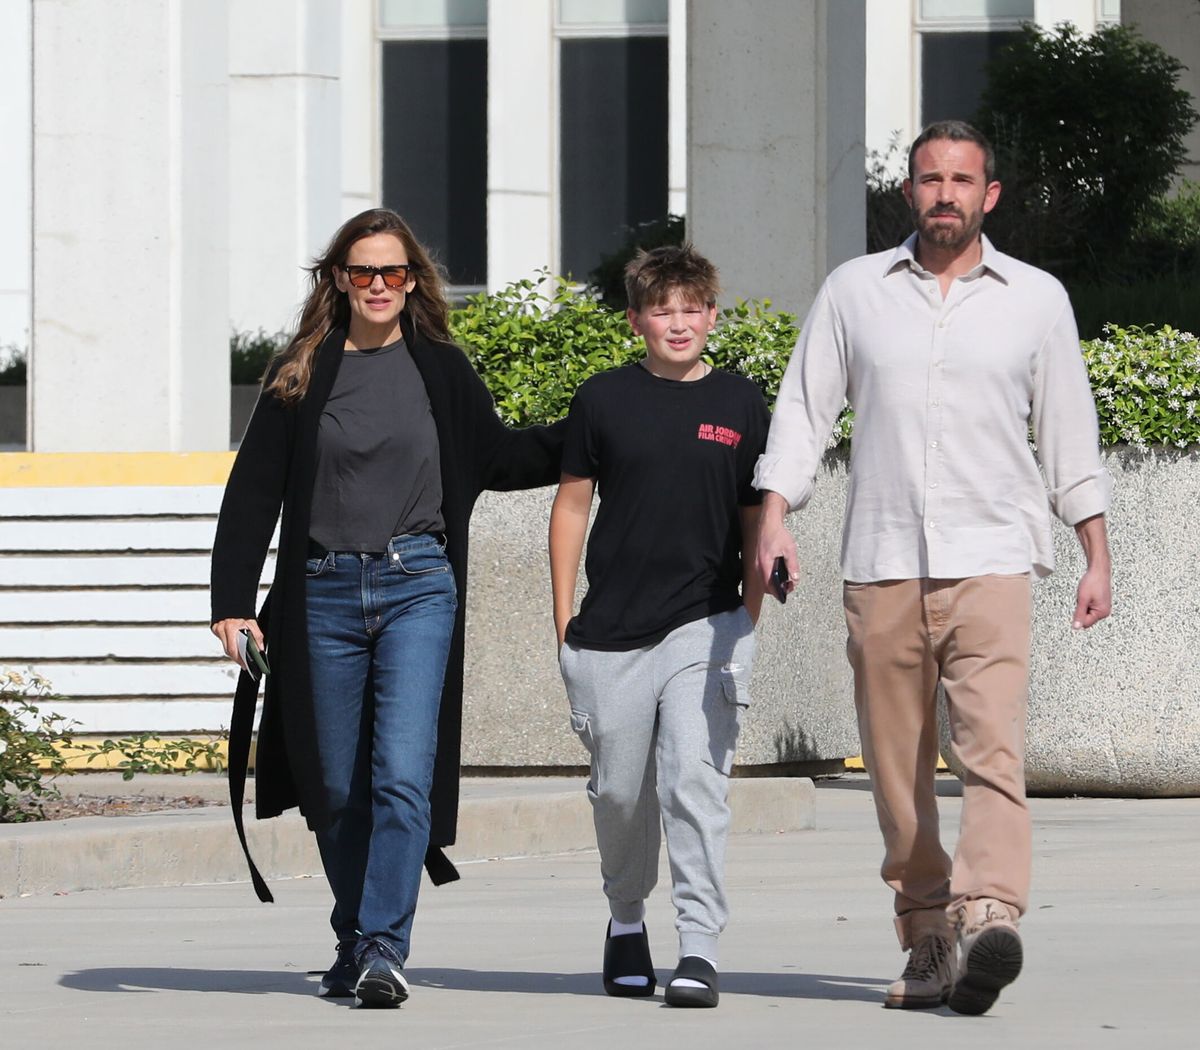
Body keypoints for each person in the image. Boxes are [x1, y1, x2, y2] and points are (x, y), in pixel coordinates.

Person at [754, 120, 1112, 1016]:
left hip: (991, 558)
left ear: (989, 195)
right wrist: (773, 519)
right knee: (895, 765)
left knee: (994, 753)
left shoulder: (1036, 299)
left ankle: (990, 912)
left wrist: (1093, 551)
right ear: (907, 192)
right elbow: (803, 415)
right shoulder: (854, 293)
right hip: (881, 562)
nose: (944, 192)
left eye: (962, 179)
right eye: (928, 179)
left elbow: (1070, 433)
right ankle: (927, 936)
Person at [210, 208, 563, 1008]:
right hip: (321, 594)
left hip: (417, 584)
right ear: (338, 278)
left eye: (393, 272)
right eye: (363, 271)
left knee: (403, 776)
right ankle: (356, 935)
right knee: (334, 786)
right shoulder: (301, 372)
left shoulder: (439, 367)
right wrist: (231, 603)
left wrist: (597, 428)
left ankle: (381, 948)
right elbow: (254, 492)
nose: (378, 285)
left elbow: (501, 456)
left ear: (413, 282)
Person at [548, 245, 769, 1009]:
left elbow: (756, 516)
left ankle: (700, 948)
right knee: (617, 794)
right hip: (609, 630)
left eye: (692, 308)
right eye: (662, 309)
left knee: (692, 783)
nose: (678, 323)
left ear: (711, 315)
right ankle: (624, 920)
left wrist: (748, 615)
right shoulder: (603, 398)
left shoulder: (742, 403)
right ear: (637, 318)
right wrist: (562, 618)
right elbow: (572, 505)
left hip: (704, 625)